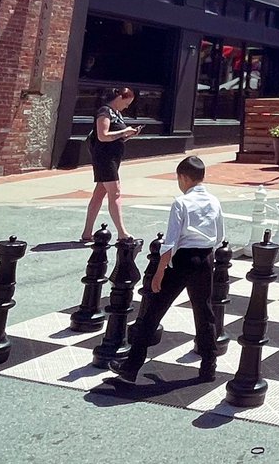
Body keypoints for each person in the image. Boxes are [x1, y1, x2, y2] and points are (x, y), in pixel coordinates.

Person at [108, 155, 224, 384]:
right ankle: (209, 367)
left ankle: (131, 367)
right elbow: (220, 236)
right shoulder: (214, 201)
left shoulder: (181, 202)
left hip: (182, 259)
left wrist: (160, 270)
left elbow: (170, 241)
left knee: (154, 310)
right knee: (205, 313)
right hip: (205, 258)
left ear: (184, 177)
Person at [81, 87, 141, 243]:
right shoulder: (104, 112)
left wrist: (128, 134)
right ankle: (122, 232)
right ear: (119, 97)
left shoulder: (117, 114)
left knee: (99, 193)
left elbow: (115, 138)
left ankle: (87, 232)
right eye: (127, 103)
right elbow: (103, 136)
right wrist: (124, 131)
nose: (127, 106)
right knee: (115, 192)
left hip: (113, 157)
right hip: (105, 158)